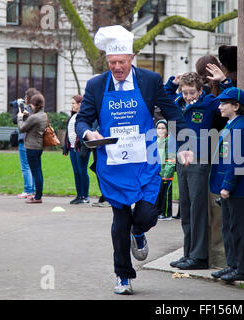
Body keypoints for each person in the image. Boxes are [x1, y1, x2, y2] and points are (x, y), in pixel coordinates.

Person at [74, 25, 191, 295]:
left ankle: (139, 232)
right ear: (107, 61)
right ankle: (123, 276)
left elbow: (173, 112)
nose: (117, 68)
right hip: (113, 162)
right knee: (120, 219)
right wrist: (88, 131)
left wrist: (184, 144)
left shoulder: (149, 80)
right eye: (113, 62)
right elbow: (82, 119)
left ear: (132, 58)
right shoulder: (95, 85)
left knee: (148, 213)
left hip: (145, 160)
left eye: (122, 62)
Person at [164, 69, 230, 271]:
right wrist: (171, 84)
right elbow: (163, 100)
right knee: (185, 208)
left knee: (198, 209)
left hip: (199, 161)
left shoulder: (209, 103)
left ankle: (199, 256)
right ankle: (188, 253)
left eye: (192, 92)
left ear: (200, 91)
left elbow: (230, 100)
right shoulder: (177, 103)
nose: (188, 96)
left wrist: (225, 81)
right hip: (181, 161)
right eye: (185, 92)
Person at [209, 87, 244, 282]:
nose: (219, 107)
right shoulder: (231, 125)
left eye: (223, 103)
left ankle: (243, 269)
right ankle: (232, 264)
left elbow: (237, 161)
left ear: (236, 106)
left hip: (236, 188)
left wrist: (227, 186)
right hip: (228, 187)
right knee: (228, 228)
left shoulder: (240, 127)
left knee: (238, 229)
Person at [17, 93, 47, 204]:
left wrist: (20, 117)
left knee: (35, 172)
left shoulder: (34, 117)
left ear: (35, 105)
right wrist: (28, 116)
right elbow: (33, 123)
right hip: (39, 146)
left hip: (31, 147)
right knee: (38, 171)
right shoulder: (43, 115)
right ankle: (38, 194)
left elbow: (21, 128)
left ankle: (38, 197)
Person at [10, 88, 39, 199]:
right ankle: (34, 189)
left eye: (26, 97)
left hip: (24, 140)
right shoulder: (37, 110)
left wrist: (17, 108)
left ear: (28, 98)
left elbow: (14, 120)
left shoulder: (25, 109)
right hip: (35, 141)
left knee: (25, 166)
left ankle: (28, 190)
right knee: (33, 166)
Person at [62, 95, 91, 204]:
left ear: (80, 104)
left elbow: (86, 132)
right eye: (72, 103)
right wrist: (66, 145)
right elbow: (69, 133)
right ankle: (79, 195)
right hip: (73, 149)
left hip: (81, 148)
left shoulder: (84, 116)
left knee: (82, 171)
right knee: (76, 172)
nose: (72, 105)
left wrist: (84, 146)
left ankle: (85, 196)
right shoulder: (73, 116)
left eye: (74, 103)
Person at [156, 119, 176, 221]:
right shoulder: (157, 141)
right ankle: (159, 211)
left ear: (167, 130)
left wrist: (167, 173)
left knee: (166, 194)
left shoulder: (170, 141)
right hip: (158, 173)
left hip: (166, 173)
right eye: (158, 128)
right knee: (158, 194)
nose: (160, 130)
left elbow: (171, 158)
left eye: (163, 128)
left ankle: (167, 213)